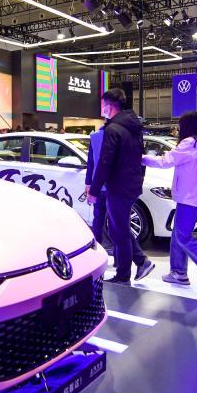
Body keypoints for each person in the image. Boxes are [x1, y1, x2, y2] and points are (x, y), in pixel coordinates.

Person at [144, 111, 197, 285]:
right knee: (178, 235)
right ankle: (179, 273)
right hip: (195, 197)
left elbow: (166, 161)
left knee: (182, 237)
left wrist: (142, 159)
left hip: (188, 198)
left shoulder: (189, 143)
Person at [87, 88, 148, 284]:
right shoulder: (134, 128)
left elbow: (104, 162)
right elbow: (139, 158)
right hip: (131, 185)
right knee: (118, 229)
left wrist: (94, 190)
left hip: (119, 187)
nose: (101, 109)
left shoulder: (113, 130)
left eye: (102, 105)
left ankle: (123, 275)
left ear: (109, 106)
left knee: (119, 232)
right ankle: (140, 262)